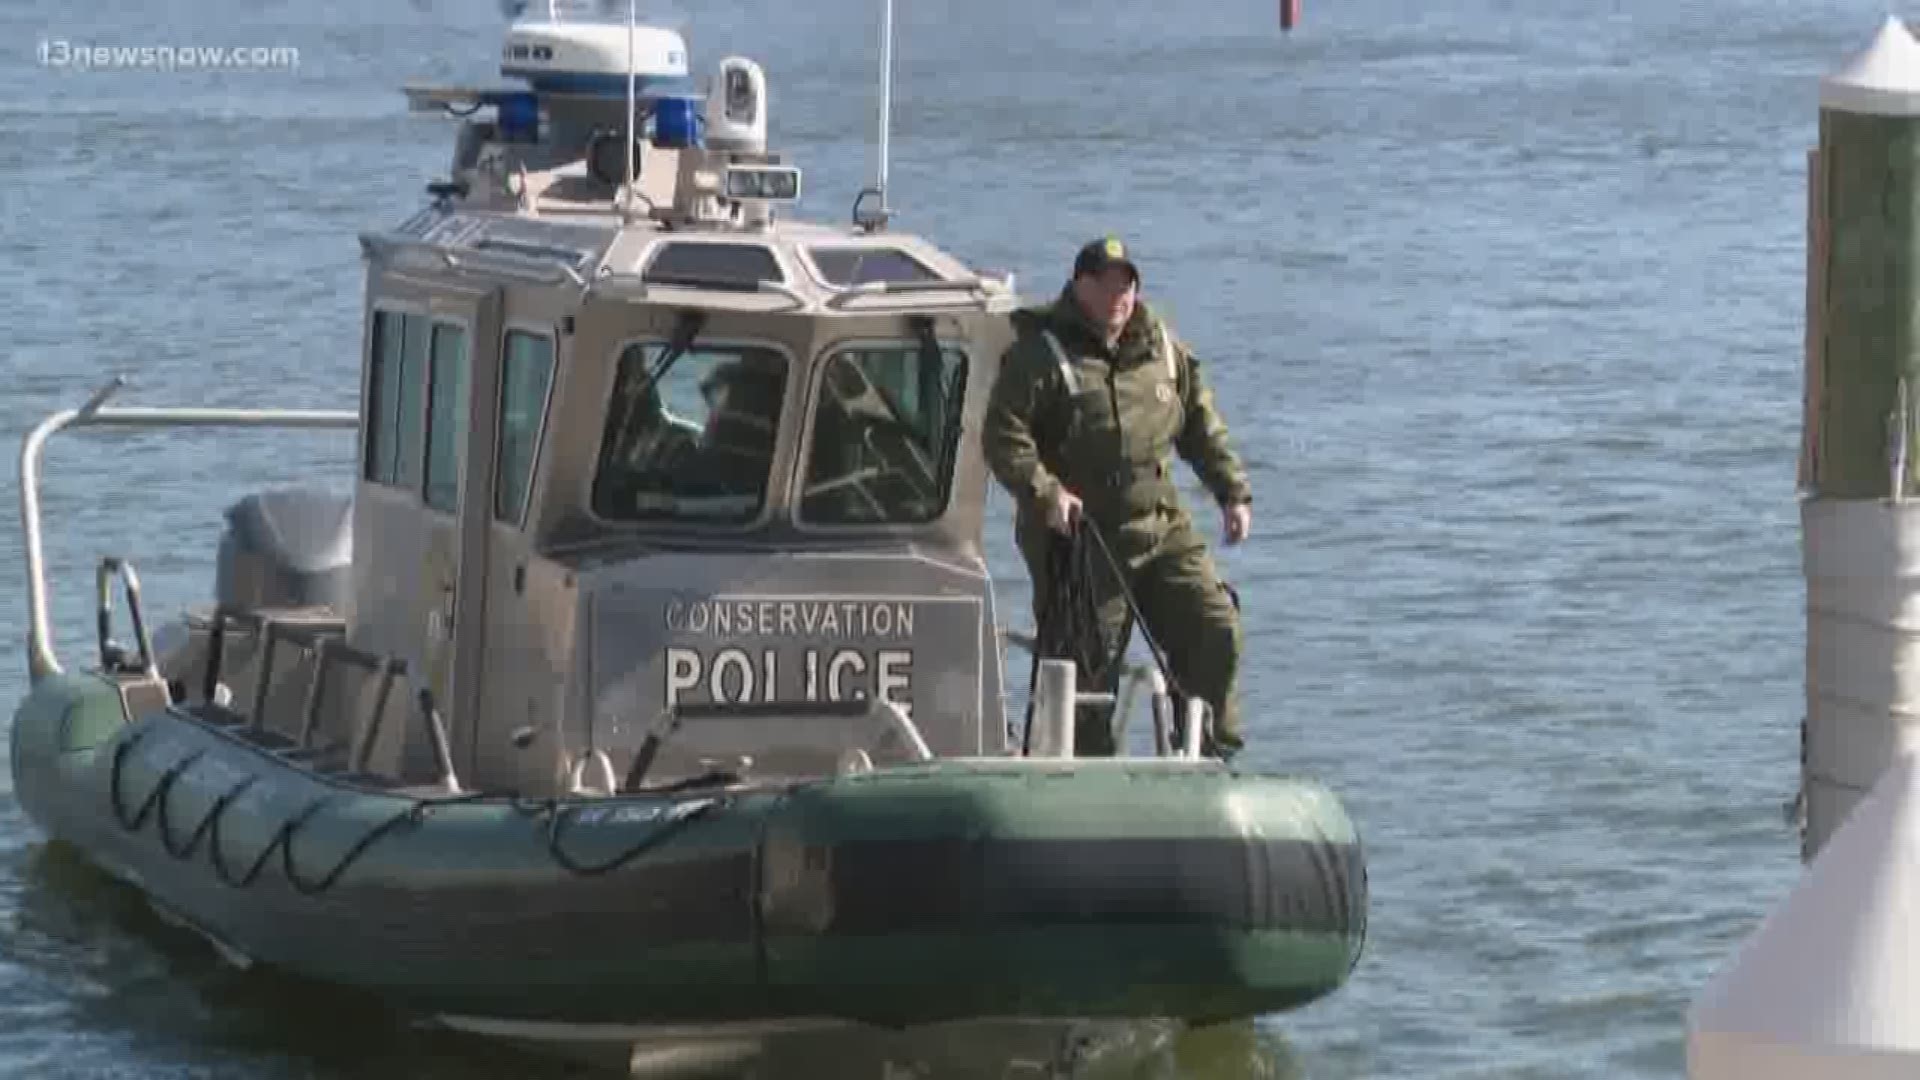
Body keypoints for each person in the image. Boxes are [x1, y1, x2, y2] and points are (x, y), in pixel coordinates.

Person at [982, 236, 1253, 758]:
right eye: (1107, 286)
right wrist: (1046, 492)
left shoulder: (1163, 349)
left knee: (1215, 625)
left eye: (1127, 286)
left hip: (1159, 523)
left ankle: (1208, 750)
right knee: (1088, 668)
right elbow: (1004, 437)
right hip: (1082, 536)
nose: (1119, 298)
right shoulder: (1042, 355)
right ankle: (1087, 773)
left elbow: (1199, 424)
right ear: (1081, 285)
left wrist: (1231, 492)